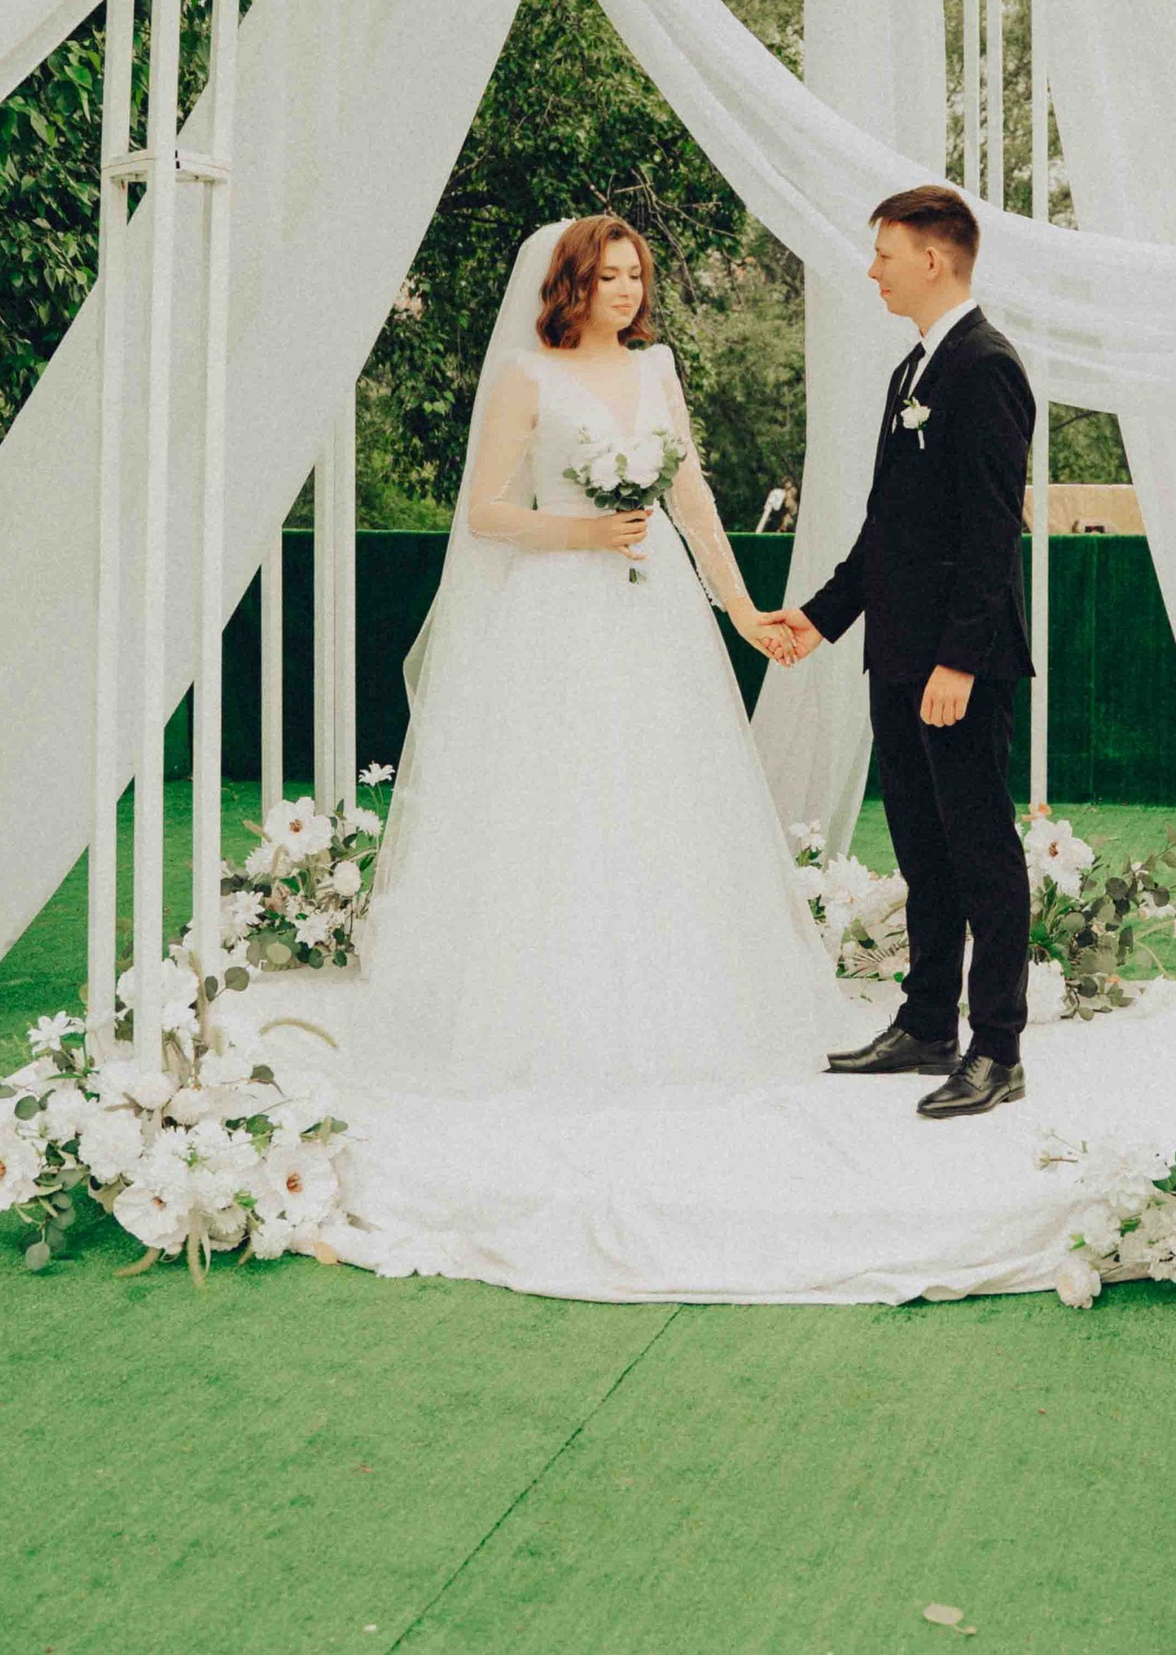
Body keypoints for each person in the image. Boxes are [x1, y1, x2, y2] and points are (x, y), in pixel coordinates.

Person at [349, 217, 853, 1096]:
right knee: (560, 792)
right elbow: (485, 513)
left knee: (664, 788)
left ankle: (676, 1002)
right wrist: (584, 532)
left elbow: (692, 498)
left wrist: (740, 609)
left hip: (655, 606)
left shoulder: (657, 369)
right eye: (608, 275)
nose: (626, 290)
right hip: (557, 608)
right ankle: (543, 1009)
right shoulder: (528, 375)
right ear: (571, 285)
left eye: (635, 275)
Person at [763, 186, 1037, 1118]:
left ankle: (998, 1047)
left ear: (932, 259)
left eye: (884, 253)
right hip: (896, 655)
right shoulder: (911, 372)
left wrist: (959, 662)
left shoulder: (987, 366)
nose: (872, 270)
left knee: (981, 851)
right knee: (922, 848)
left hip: (958, 665)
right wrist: (821, 617)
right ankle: (926, 1026)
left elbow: (992, 533)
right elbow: (892, 528)